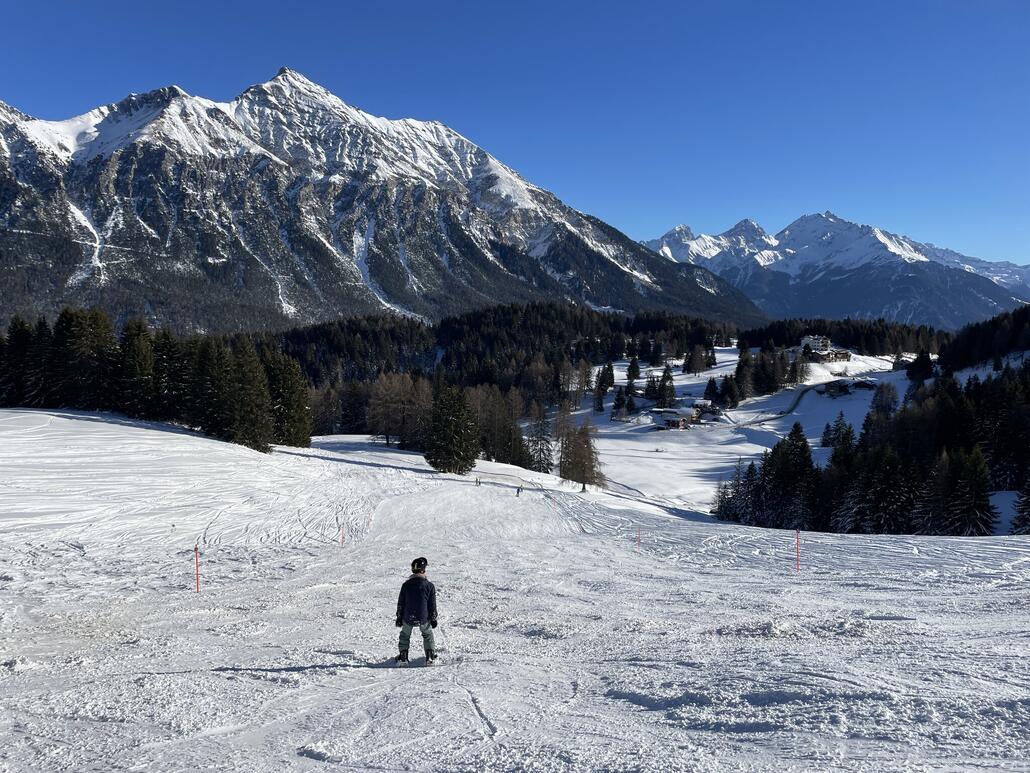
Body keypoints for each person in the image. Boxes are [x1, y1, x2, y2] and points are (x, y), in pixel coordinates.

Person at [395, 556, 438, 664]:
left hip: (408, 616)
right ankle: (430, 656)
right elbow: (432, 604)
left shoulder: (406, 585)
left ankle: (403, 656)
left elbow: (401, 603)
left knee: (405, 635)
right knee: (427, 634)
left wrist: (399, 617)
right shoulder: (429, 586)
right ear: (423, 570)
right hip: (424, 617)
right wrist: (433, 618)